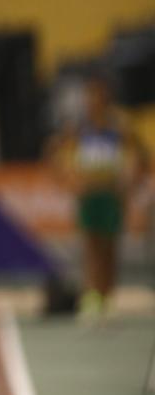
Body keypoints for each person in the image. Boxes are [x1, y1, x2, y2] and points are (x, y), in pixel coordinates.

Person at [49, 76, 149, 320]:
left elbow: (141, 154)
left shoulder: (118, 127)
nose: (93, 102)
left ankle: (107, 295)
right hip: (90, 192)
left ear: (106, 99)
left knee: (109, 246)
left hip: (111, 192)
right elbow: (54, 151)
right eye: (89, 97)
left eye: (97, 97)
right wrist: (70, 181)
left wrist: (130, 183)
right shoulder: (81, 128)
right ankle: (92, 294)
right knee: (91, 245)